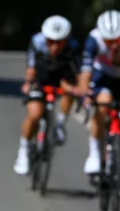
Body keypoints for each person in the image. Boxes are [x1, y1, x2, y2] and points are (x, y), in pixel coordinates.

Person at [14, 15, 81, 176]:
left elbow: (76, 74)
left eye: (59, 42)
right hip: (41, 78)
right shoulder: (37, 42)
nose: (55, 46)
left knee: (69, 92)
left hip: (62, 77)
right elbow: (31, 68)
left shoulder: (73, 47)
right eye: (50, 41)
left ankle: (60, 124)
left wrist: (77, 89)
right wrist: (28, 83)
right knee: (35, 113)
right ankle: (23, 149)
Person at [78, 10, 120, 175]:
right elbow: (85, 71)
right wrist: (86, 94)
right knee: (102, 104)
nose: (113, 45)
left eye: (118, 40)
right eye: (108, 41)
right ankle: (95, 153)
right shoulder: (94, 39)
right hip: (103, 78)